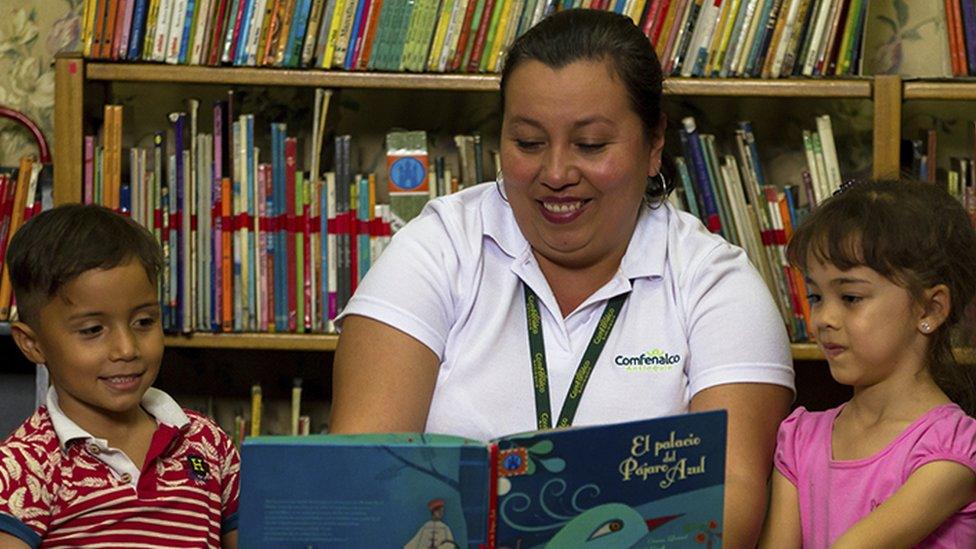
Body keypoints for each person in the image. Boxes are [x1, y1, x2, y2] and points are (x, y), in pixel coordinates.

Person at [331, 9, 794, 546]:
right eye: (528, 143)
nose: (555, 174)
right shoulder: (439, 247)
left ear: (654, 143)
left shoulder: (716, 284)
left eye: (591, 145)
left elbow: (726, 505)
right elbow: (361, 476)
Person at [0, 204, 240, 548]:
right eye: (93, 329)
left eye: (144, 322)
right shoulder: (22, 467)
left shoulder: (207, 443)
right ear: (33, 344)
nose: (127, 349)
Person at [759, 179, 976, 548]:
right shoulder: (799, 439)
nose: (823, 318)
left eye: (850, 297)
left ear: (930, 308)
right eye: (816, 296)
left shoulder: (954, 448)